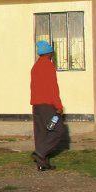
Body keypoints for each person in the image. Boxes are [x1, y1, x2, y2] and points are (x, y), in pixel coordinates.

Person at [30, 40, 66, 171]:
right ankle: (40, 153)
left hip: (37, 105)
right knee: (58, 130)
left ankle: (42, 164)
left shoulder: (35, 67)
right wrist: (59, 106)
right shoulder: (48, 66)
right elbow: (52, 88)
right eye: (52, 53)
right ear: (49, 53)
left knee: (41, 133)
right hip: (47, 106)